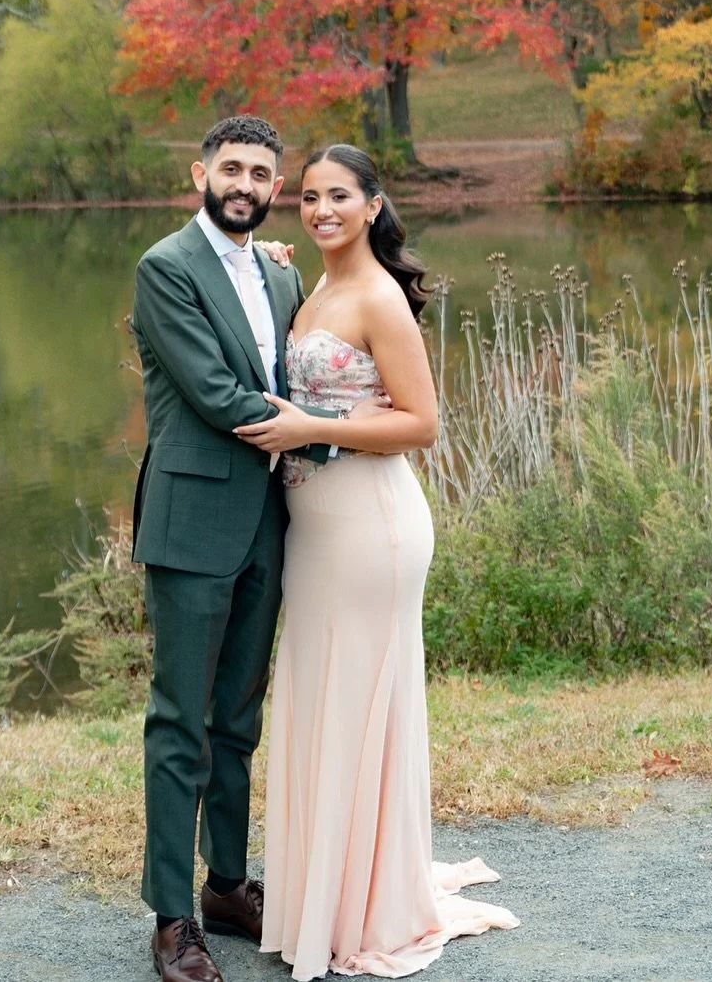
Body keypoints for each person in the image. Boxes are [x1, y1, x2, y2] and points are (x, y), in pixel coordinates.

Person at [234, 142, 519, 980]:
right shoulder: (314, 283)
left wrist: (310, 427)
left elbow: (422, 422)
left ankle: (364, 904)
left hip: (371, 524)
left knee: (358, 704)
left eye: (339, 196)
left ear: (372, 204)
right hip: (315, 529)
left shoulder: (380, 297)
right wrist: (270, 264)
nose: (322, 209)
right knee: (323, 700)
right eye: (310, 197)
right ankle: (327, 889)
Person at [130, 115, 345, 982]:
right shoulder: (165, 269)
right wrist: (344, 434)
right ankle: (173, 917)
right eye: (233, 168)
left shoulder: (277, 271)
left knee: (238, 721)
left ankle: (226, 883)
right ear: (201, 173)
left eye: (262, 172)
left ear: (274, 185)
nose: (246, 184)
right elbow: (220, 396)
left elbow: (288, 368)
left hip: (267, 520)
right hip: (191, 523)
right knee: (182, 721)